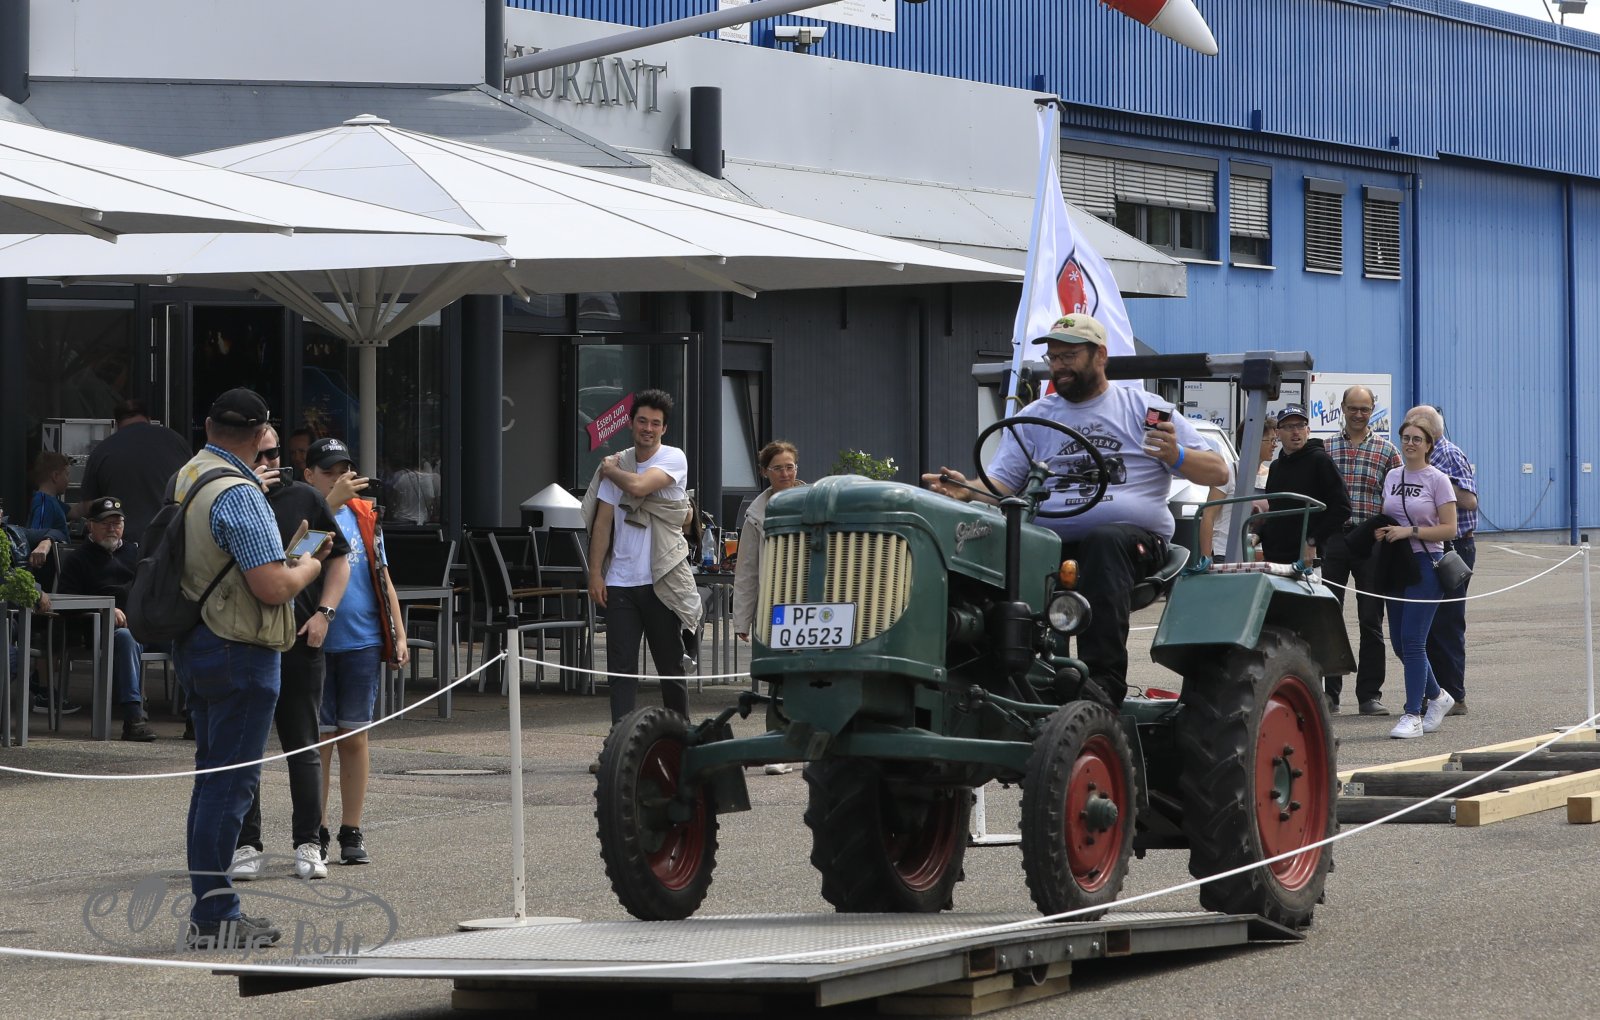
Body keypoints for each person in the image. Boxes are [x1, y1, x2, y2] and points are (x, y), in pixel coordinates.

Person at [922, 313, 1227, 707]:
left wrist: (1177, 455)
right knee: (989, 546)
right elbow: (1000, 486)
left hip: (1132, 545)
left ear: (1100, 356)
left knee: (1104, 540)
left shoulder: (1145, 410)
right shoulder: (1035, 417)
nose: (1059, 366)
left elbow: (1218, 471)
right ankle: (995, 678)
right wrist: (964, 490)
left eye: (1069, 356)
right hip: (1050, 542)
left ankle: (1103, 683)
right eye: (1053, 358)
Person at [171, 387, 327, 950]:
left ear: (209, 426)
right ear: (262, 434)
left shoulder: (190, 474)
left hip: (199, 638)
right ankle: (216, 916)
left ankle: (210, 909)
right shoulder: (240, 493)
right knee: (230, 785)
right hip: (240, 646)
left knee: (211, 779)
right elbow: (272, 585)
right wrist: (309, 566)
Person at [229, 427, 351, 883]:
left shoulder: (303, 497)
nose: (267, 462)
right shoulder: (229, 498)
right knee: (246, 747)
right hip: (243, 637)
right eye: (258, 454)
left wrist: (325, 613)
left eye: (274, 452)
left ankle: (309, 841)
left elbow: (338, 557)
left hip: (299, 635)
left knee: (303, 743)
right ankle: (246, 843)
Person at [304, 436, 407, 867]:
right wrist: (326, 504)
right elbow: (294, 557)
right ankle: (316, 829)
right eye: (328, 471)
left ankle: (352, 829)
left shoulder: (365, 515)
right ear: (309, 475)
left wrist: (398, 633)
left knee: (355, 736)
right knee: (320, 740)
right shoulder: (302, 511)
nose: (339, 478)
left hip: (363, 640)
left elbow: (383, 576)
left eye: (343, 470)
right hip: (316, 641)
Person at [581, 390, 704, 741]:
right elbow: (603, 522)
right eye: (642, 421)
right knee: (621, 669)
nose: (648, 428)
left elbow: (638, 486)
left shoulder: (673, 458)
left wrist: (609, 470)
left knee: (670, 666)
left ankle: (680, 741)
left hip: (661, 577)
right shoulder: (620, 461)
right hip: (620, 580)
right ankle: (620, 745)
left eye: (655, 423)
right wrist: (595, 573)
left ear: (664, 429)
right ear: (631, 424)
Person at [1374, 413, 1458, 739]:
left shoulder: (1438, 480)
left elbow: (1449, 529)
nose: (1410, 444)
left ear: (1428, 445)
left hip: (1428, 562)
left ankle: (1413, 714)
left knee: (1413, 641)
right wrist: (1382, 531)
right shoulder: (1392, 475)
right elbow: (1388, 513)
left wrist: (1410, 531)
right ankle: (1438, 695)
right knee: (1399, 643)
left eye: (1417, 439)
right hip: (1397, 563)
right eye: (1406, 438)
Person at [1323, 387, 1401, 716]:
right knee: (1328, 617)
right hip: (1335, 541)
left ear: (1372, 410)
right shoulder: (1325, 448)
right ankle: (1330, 695)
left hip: (1371, 542)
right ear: (1342, 408)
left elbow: (1398, 498)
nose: (1358, 414)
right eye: (1353, 408)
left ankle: (1369, 695)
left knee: (1371, 619)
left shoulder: (1388, 452)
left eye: (1364, 409)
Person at [55, 496, 157, 741]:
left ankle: (194, 717)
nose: (112, 528)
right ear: (90, 525)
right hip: (100, 629)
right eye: (105, 523)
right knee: (126, 637)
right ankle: (133, 719)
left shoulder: (135, 553)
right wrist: (104, 610)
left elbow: (151, 591)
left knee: (187, 635)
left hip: (143, 625)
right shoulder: (78, 558)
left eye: (117, 523)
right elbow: (65, 603)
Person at [731, 441, 805, 775]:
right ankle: (781, 746)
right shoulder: (756, 515)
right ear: (765, 472)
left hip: (810, 604)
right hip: (774, 605)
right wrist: (742, 618)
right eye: (778, 468)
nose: (785, 473)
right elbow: (746, 569)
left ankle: (810, 743)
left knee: (811, 675)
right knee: (779, 675)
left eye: (790, 467)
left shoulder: (814, 502)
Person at [1415, 404, 1478, 715]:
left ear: (1431, 429)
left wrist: (1436, 481)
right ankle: (1435, 693)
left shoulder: (1448, 454)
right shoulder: (1420, 457)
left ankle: (1454, 695)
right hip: (1427, 547)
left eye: (1414, 426)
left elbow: (1470, 500)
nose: (1409, 435)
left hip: (1455, 548)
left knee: (1448, 624)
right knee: (1427, 625)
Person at [78, 399, 194, 544]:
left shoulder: (102, 451)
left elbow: (90, 507)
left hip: (125, 544)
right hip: (171, 540)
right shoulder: (178, 442)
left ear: (117, 423)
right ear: (148, 419)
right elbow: (193, 489)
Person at [1260, 404, 1351, 585]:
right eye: (1289, 427)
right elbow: (1276, 511)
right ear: (1278, 433)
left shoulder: (1320, 460)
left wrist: (1313, 541)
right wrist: (1259, 533)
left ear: (1308, 430)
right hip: (1274, 560)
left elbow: (1342, 508)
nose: (1296, 432)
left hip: (1306, 562)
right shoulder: (1276, 467)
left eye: (1300, 425)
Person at [28, 451, 78, 537]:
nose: (68, 480)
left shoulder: (51, 501)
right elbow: (37, 538)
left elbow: (75, 512)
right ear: (55, 476)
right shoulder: (45, 504)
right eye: (66, 474)